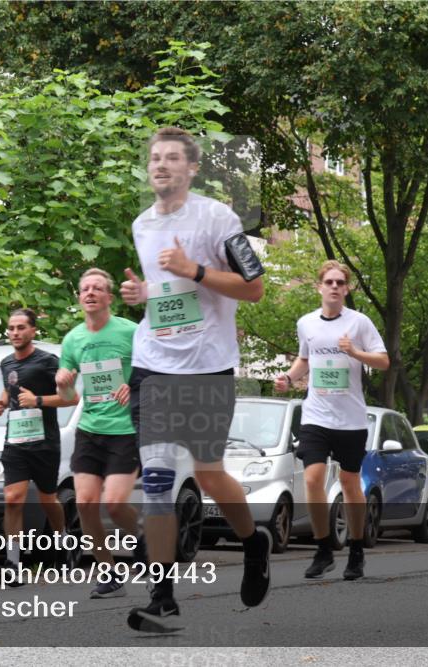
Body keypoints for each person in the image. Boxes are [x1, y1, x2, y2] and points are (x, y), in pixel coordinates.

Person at [120, 126, 270, 633]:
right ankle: (162, 597)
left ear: (191, 169)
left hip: (207, 365)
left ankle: (254, 542)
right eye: (155, 158)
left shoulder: (218, 218)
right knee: (158, 479)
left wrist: (196, 270)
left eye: (172, 159)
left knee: (208, 475)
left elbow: (255, 290)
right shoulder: (141, 224)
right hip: (154, 365)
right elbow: (167, 290)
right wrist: (145, 296)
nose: (160, 165)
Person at [274, 260, 389, 580]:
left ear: (347, 288)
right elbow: (304, 360)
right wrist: (288, 376)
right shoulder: (306, 323)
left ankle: (355, 549)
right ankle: (323, 547)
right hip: (316, 414)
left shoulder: (360, 323)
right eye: (330, 282)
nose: (335, 287)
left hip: (350, 418)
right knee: (312, 479)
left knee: (351, 484)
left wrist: (355, 352)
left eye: (341, 282)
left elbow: (383, 361)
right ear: (319, 287)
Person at [56, 268, 143, 599]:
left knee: (116, 503)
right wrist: (63, 385)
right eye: (84, 289)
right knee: (86, 503)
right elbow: (69, 399)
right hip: (90, 430)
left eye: (97, 288)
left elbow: (157, 372)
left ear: (109, 297)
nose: (90, 293)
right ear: (79, 297)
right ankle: (108, 570)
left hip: (125, 429)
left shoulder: (131, 332)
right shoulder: (73, 339)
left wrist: (133, 387)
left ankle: (146, 539)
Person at [0, 308, 78, 581]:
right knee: (12, 498)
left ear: (32, 331)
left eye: (20, 328)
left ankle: (63, 540)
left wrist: (38, 401)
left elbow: (71, 398)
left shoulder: (48, 362)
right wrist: (2, 402)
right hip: (15, 442)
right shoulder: (6, 362)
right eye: (11, 328)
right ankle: (13, 564)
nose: (15, 333)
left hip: (44, 443)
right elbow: (11, 386)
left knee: (47, 500)